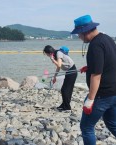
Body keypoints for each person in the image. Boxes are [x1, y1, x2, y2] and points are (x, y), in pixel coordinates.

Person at [71, 15, 116, 145]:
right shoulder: (107, 39)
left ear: (85, 31)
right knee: (113, 124)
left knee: (86, 127)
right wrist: (89, 67)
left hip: (102, 95)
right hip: (114, 93)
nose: (78, 37)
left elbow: (96, 75)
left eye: (79, 34)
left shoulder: (95, 45)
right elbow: (110, 62)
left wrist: (90, 100)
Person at [43, 45, 77, 111]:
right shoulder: (53, 56)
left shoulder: (58, 53)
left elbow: (59, 64)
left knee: (65, 90)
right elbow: (58, 67)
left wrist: (52, 59)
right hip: (68, 71)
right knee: (65, 89)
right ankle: (64, 105)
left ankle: (67, 107)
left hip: (72, 71)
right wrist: (55, 76)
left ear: (49, 52)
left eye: (46, 54)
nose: (46, 55)